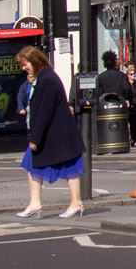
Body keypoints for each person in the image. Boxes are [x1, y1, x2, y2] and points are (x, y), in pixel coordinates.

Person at [15, 47, 85, 219]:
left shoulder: (47, 80)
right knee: (31, 163)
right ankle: (35, 203)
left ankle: (76, 203)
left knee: (71, 166)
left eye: (25, 64)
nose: (24, 68)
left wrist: (35, 138)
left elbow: (45, 112)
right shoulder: (43, 78)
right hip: (54, 133)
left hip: (59, 134)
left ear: (35, 60)